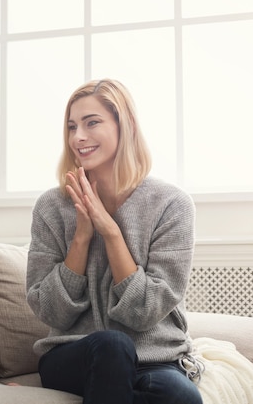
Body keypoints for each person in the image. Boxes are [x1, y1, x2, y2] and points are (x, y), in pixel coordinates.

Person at [26, 79, 203, 404]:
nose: (78, 137)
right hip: (75, 355)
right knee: (111, 346)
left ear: (126, 126)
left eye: (92, 122)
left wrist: (110, 232)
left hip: (154, 358)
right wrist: (82, 236)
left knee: (180, 396)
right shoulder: (52, 207)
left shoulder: (171, 204)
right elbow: (51, 312)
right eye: (72, 126)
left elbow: (145, 311)